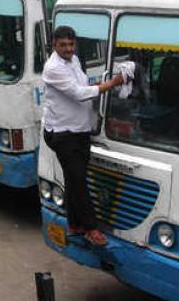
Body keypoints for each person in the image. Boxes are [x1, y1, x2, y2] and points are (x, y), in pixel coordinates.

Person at [42, 25, 126, 247]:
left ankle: (75, 223)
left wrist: (98, 85)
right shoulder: (53, 68)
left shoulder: (74, 61)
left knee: (73, 179)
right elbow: (79, 94)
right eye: (63, 45)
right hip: (62, 134)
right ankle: (90, 228)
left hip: (79, 130)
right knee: (79, 181)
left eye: (71, 44)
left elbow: (83, 85)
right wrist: (111, 84)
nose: (68, 49)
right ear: (54, 45)